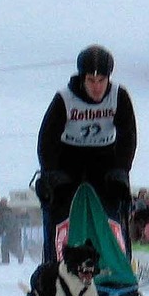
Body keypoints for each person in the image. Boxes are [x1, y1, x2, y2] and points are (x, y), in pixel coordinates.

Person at [36, 45, 137, 262]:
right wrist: (50, 173)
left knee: (112, 208)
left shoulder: (119, 96)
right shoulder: (65, 98)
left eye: (102, 80)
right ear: (82, 79)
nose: (97, 87)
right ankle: (55, 263)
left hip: (104, 157)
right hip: (68, 157)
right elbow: (47, 138)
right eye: (91, 81)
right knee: (59, 209)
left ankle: (117, 263)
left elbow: (128, 135)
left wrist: (122, 169)